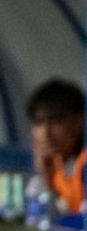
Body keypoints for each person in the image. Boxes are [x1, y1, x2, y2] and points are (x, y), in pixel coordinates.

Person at [28, 80, 84, 216]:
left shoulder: (83, 165)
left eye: (56, 121)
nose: (46, 132)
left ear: (79, 122)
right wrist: (46, 179)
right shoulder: (55, 166)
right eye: (38, 122)